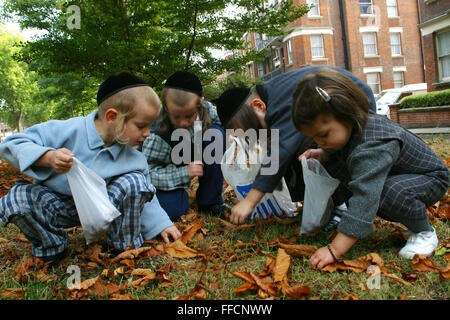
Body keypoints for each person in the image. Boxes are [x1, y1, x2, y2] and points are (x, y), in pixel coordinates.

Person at [0, 72, 181, 267]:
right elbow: (11, 144)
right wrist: (48, 157)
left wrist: (162, 224)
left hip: (106, 209)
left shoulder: (135, 158)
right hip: (59, 206)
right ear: (112, 117)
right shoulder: (65, 130)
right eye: (141, 125)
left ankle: (122, 246)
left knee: (136, 182)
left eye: (150, 126)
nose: (147, 133)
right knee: (19, 197)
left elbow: (147, 199)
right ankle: (51, 247)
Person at [291, 67, 449, 268]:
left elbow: (366, 197)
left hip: (430, 178)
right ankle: (390, 221)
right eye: (314, 137)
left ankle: (424, 232)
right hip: (401, 175)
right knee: (351, 172)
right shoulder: (354, 128)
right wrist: (324, 153)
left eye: (323, 135)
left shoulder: (374, 144)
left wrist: (335, 249)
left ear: (346, 114)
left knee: (386, 192)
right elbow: (345, 149)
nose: (318, 141)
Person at [214, 65, 376, 226]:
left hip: (355, 113)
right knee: (296, 150)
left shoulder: (281, 103)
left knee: (299, 149)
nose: (258, 137)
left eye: (255, 130)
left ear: (258, 106)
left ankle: (342, 207)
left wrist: (249, 201)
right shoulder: (273, 95)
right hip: (334, 120)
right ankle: (324, 205)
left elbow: (280, 151)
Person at [141, 71, 230, 220]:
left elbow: (227, 119)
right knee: (173, 210)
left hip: (195, 152)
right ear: (166, 107)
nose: (183, 123)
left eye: (189, 116)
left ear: (200, 104)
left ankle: (210, 202)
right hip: (171, 167)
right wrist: (183, 173)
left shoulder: (206, 110)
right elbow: (146, 174)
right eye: (176, 116)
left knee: (216, 134)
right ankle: (180, 194)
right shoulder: (157, 134)